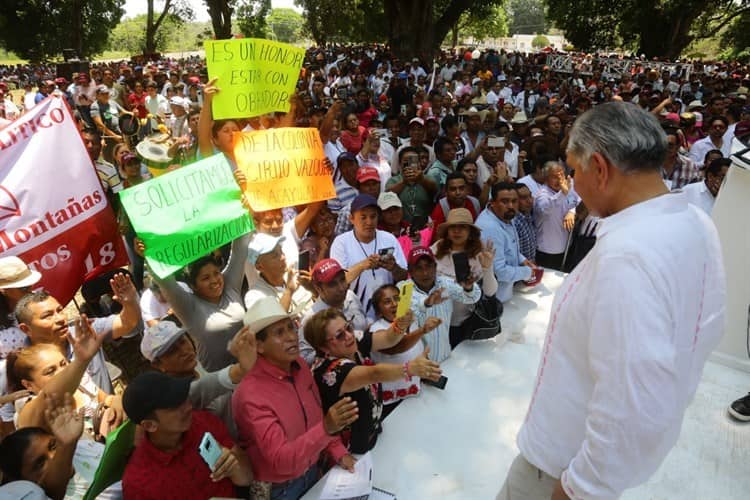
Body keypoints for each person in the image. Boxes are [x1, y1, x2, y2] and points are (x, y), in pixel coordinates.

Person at [499, 102, 726, 500]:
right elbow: (707, 333)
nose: (572, 181)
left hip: (558, 468)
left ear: (599, 168)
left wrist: (580, 488)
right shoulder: (695, 222)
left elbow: (633, 405)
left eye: (573, 169)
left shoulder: (627, 257)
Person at [233, 297, 357, 499]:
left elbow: (315, 416)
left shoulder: (300, 366)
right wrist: (327, 428)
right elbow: (280, 460)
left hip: (313, 470)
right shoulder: (250, 396)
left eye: (291, 328)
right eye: (279, 333)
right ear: (259, 346)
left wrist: (337, 451)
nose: (291, 337)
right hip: (282, 489)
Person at [304, 308, 441, 453]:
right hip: (354, 450)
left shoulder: (351, 339)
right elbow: (374, 374)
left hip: (373, 432)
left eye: (348, 327)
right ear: (323, 347)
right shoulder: (329, 372)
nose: (349, 336)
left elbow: (388, 338)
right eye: (339, 335)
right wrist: (409, 369)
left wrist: (400, 325)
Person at [122, 371, 253, 499]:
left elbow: (247, 478)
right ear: (149, 425)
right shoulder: (137, 483)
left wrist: (234, 466)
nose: (188, 406)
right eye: (174, 406)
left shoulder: (204, 422)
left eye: (183, 397)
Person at [137, 234, 250, 371]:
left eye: (216, 273)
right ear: (193, 286)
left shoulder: (229, 286)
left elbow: (240, 250)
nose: (215, 280)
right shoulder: (188, 307)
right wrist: (148, 255)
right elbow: (164, 280)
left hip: (253, 366)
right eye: (206, 278)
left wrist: (245, 215)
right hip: (221, 382)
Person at [15, 273, 141, 393]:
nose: (60, 319)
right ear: (26, 329)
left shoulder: (86, 330)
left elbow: (127, 323)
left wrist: (130, 302)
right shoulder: (19, 365)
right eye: (47, 316)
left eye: (60, 310)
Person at [140, 321, 256, 436]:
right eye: (172, 351)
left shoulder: (199, 364)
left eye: (183, 341)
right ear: (158, 365)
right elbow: (215, 382)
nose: (183, 351)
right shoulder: (179, 395)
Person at [330, 194, 408, 319]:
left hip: (387, 313)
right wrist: (363, 265)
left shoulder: (389, 238)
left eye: (373, 217)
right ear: (351, 219)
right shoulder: (341, 243)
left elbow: (404, 277)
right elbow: (338, 282)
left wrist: (394, 268)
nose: (369, 222)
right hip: (355, 314)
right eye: (363, 217)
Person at [367, 285, 441, 414]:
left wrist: (429, 372)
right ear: (378, 311)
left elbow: (416, 353)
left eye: (397, 299)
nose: (395, 304)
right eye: (387, 301)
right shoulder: (376, 330)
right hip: (391, 404)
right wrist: (422, 331)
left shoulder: (412, 324)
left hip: (416, 394)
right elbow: (395, 347)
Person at [0, 393, 86, 500]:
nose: (54, 457)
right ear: (23, 482)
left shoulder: (85, 449)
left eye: (53, 446)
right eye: (40, 464)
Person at [403, 247, 481, 362]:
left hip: (445, 356)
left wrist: (468, 288)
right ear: (410, 271)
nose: (425, 272)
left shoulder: (445, 283)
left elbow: (472, 298)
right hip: (417, 364)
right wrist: (427, 303)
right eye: (418, 268)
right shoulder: (403, 288)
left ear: (435, 267)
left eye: (428, 266)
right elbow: (409, 308)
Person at [431, 208, 497, 344]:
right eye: (453, 227)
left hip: (465, 322)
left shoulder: (480, 254)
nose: (457, 231)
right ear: (447, 232)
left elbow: (490, 292)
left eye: (462, 227)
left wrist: (487, 268)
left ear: (470, 232)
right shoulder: (436, 248)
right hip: (437, 320)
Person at [0, 257, 42, 435]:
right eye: (23, 287)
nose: (30, 290)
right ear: (4, 291)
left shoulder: (35, 304)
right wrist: (8, 398)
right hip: (10, 398)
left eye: (30, 285)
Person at [475, 182, 536, 303]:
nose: (511, 206)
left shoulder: (505, 215)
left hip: (504, 293)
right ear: (492, 202)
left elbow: (510, 247)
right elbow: (500, 272)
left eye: (514, 201)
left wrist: (522, 260)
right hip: (493, 298)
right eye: (505, 201)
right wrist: (527, 272)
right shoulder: (490, 228)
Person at [244, 233, 313, 316]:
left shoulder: (295, 277)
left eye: (281, 252)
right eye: (275, 255)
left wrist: (313, 289)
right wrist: (289, 291)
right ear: (259, 266)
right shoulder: (254, 296)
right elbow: (273, 322)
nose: (283, 257)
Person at [533, 162, 579, 271]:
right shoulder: (542, 194)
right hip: (548, 251)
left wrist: (572, 211)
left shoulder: (567, 187)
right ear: (546, 178)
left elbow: (577, 201)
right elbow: (545, 209)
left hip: (567, 247)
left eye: (561, 175)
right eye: (554, 176)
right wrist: (562, 193)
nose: (559, 180)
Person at [385, 146, 437, 223]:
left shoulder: (427, 178)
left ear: (419, 163)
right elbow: (388, 195)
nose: (409, 164)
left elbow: (434, 189)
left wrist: (421, 179)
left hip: (425, 227)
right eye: (406, 161)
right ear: (400, 163)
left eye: (413, 161)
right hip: (402, 227)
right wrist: (404, 182)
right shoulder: (393, 180)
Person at [429, 172, 481, 242]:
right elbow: (436, 238)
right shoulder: (442, 208)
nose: (458, 192)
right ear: (446, 191)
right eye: (453, 189)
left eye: (461, 188)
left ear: (467, 189)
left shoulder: (475, 203)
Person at [513, 184, 537, 263]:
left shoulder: (528, 214)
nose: (530, 201)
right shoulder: (513, 223)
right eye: (523, 198)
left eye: (530, 196)